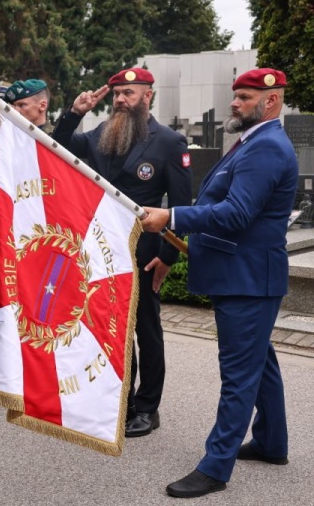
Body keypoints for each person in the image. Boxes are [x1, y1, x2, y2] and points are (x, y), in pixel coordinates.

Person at [141, 68, 296, 498]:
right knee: (259, 362)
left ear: (271, 102)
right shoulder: (252, 142)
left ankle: (215, 467)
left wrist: (171, 216)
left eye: (245, 97)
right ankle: (271, 442)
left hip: (247, 280)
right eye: (236, 96)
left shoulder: (266, 148)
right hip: (244, 275)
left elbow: (236, 214)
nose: (235, 103)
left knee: (238, 376)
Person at [52, 68, 192, 436]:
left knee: (146, 330)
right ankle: (120, 399)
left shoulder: (169, 142)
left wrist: (168, 256)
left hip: (143, 253)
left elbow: (180, 205)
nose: (119, 100)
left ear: (148, 96)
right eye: (116, 94)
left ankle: (147, 407)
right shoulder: (101, 134)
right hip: (100, 251)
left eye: (128, 93)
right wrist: (75, 113)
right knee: (109, 329)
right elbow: (56, 147)